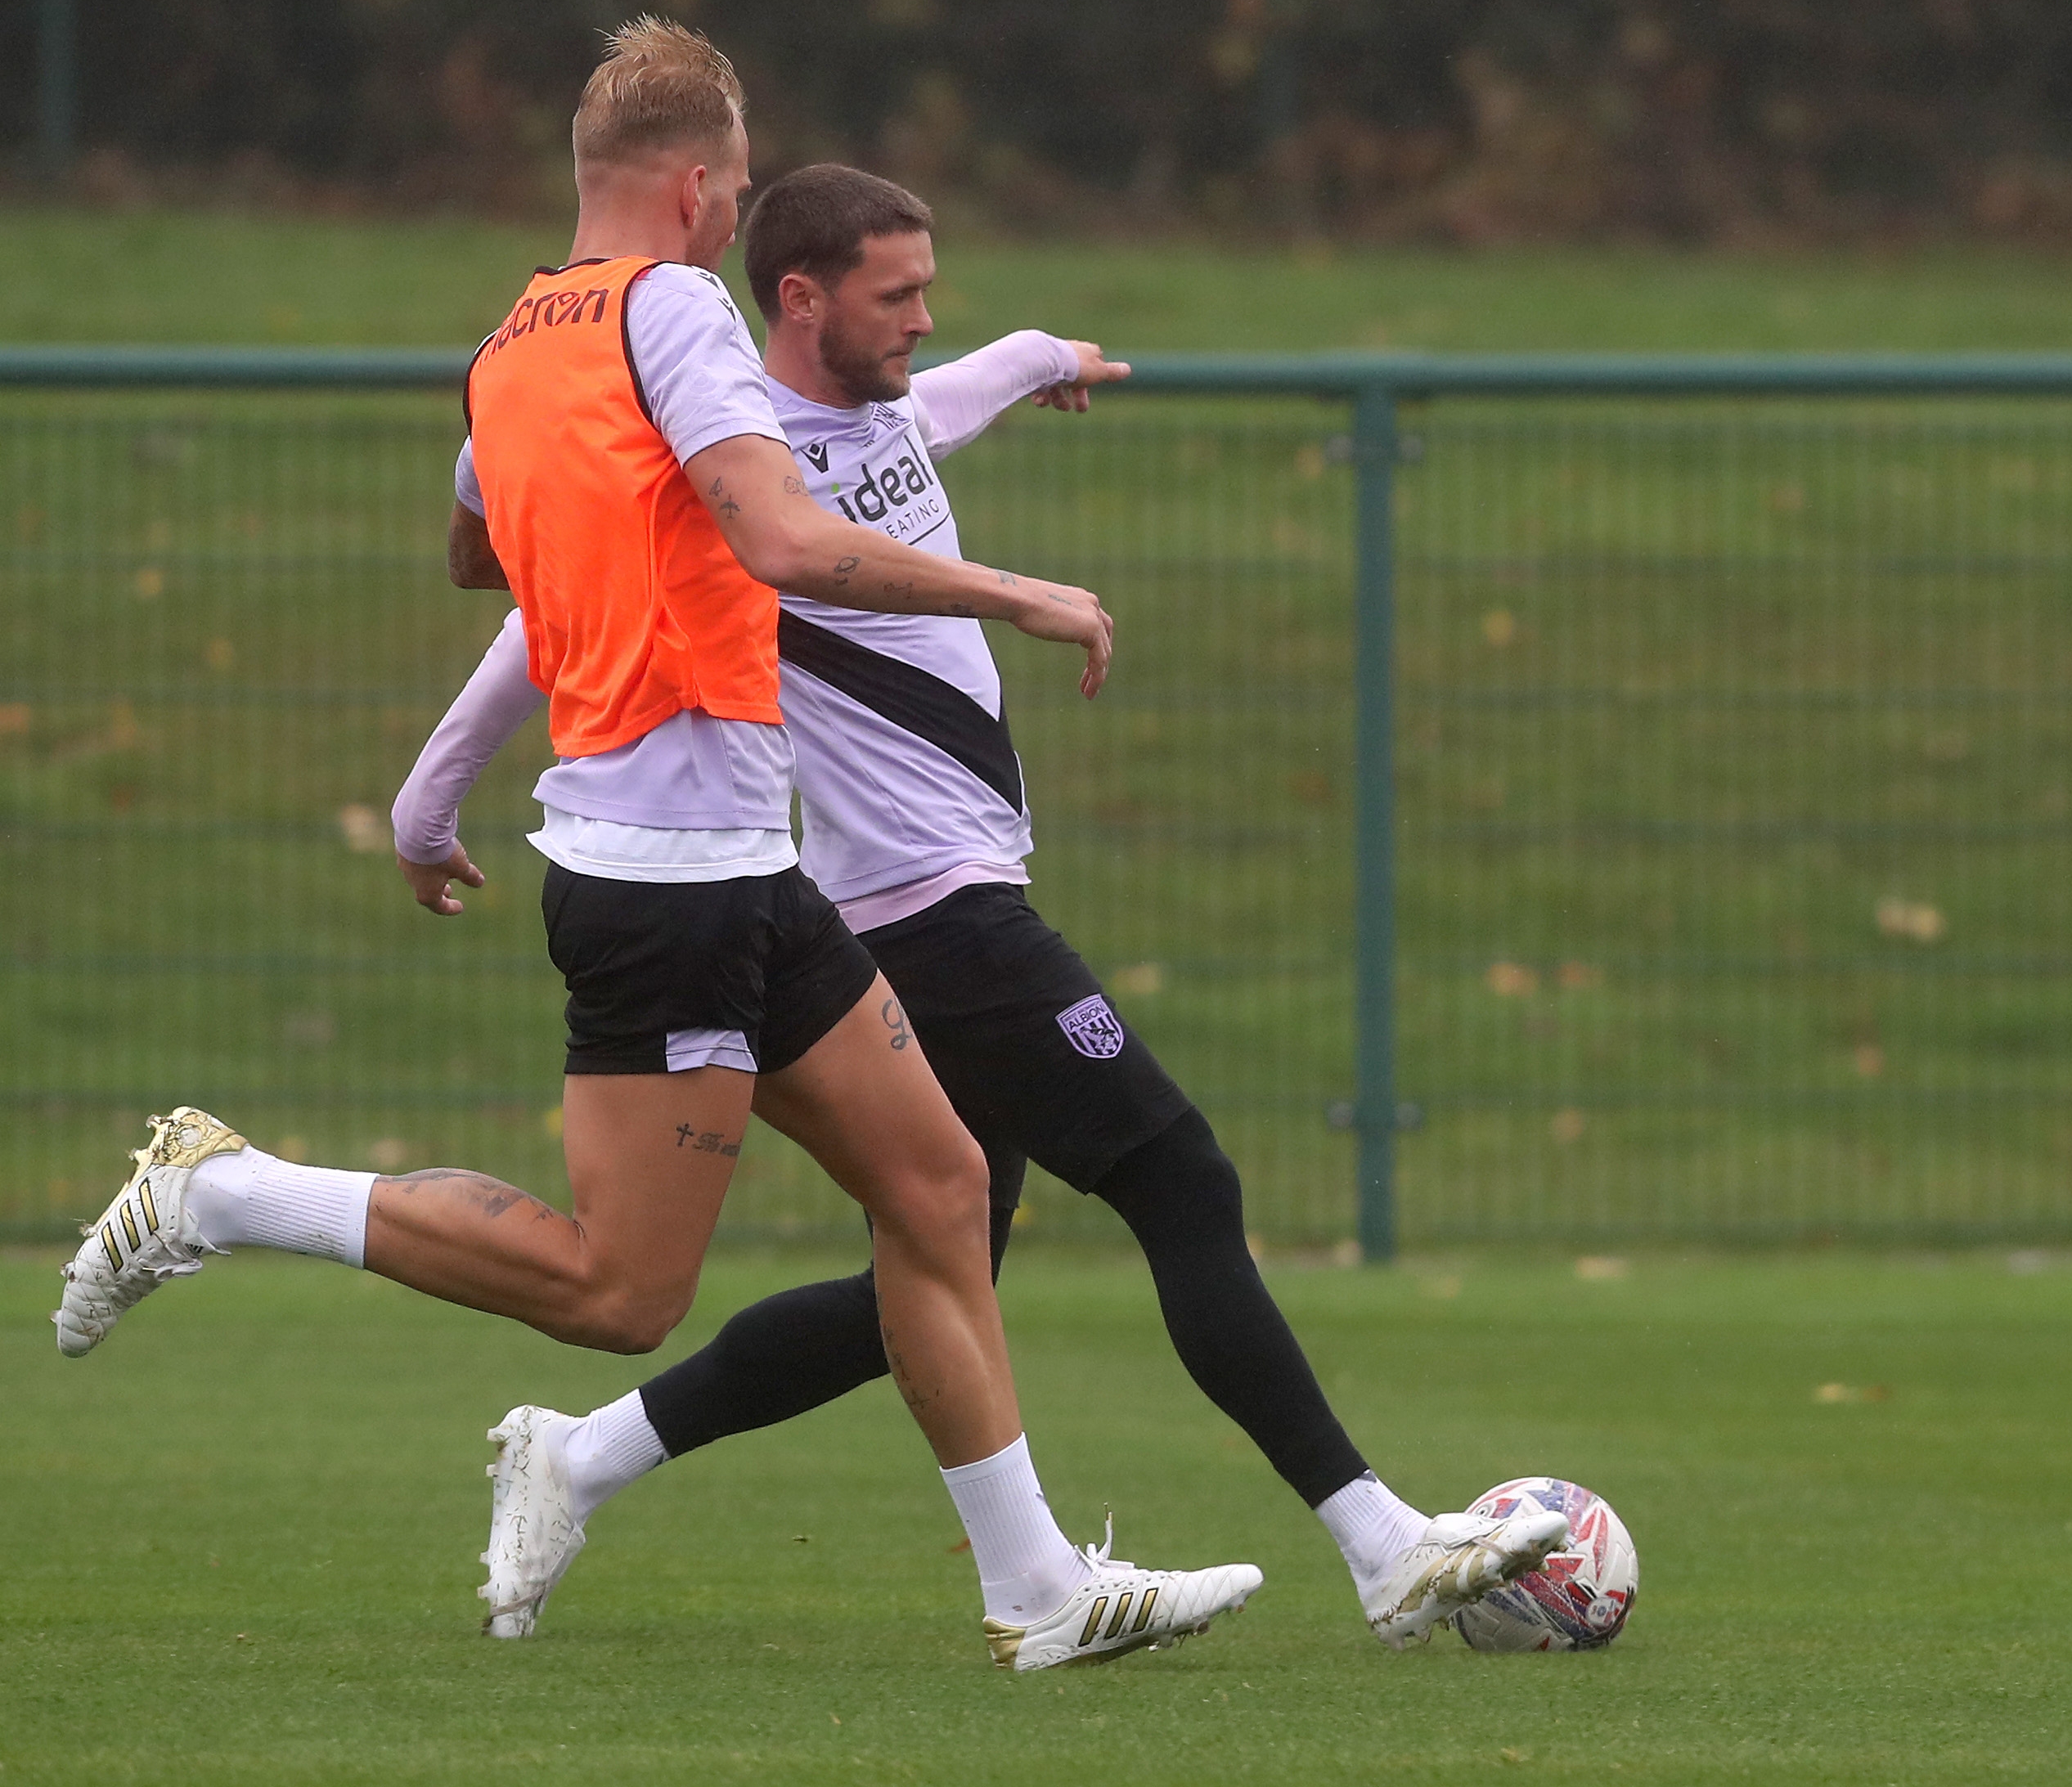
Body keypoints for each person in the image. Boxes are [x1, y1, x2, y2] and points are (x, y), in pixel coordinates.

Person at [52, 24, 1263, 1673]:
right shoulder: (673, 306)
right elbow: (783, 536)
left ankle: (1040, 1588)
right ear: (696, 188)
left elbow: (481, 547)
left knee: (940, 1186)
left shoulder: (512, 343)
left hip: (743, 862)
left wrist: (504, 697)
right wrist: (1017, 591)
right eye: (740, 187)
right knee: (619, 1294)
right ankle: (227, 1195)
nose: (733, 214)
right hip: (660, 876)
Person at [398, 160, 1570, 1651]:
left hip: (937, 899)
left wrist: (1043, 363)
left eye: (929, 291)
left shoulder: (881, 411)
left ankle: (585, 1454)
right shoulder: (747, 475)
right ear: (801, 299)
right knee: (1178, 1178)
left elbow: (952, 394)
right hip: (923, 914)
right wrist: (424, 808)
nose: (922, 320)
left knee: (936, 1265)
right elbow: (526, 637)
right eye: (896, 295)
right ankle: (1381, 1541)